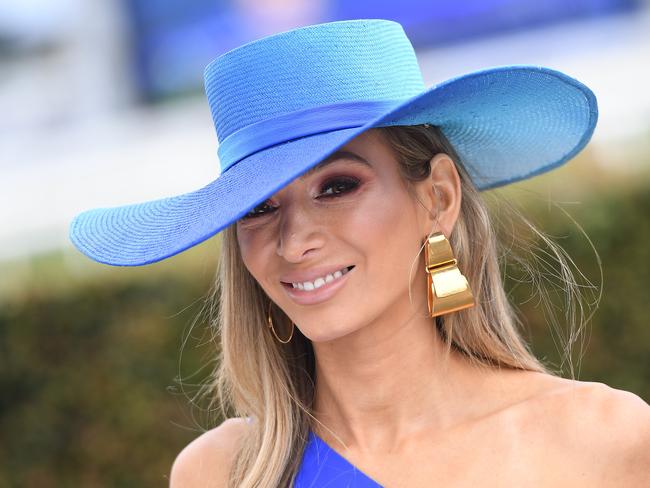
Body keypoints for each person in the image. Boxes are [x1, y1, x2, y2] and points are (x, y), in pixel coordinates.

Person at [69, 19, 650, 487]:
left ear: (438, 197)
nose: (295, 242)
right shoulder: (220, 474)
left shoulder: (603, 441)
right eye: (258, 208)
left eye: (338, 186)